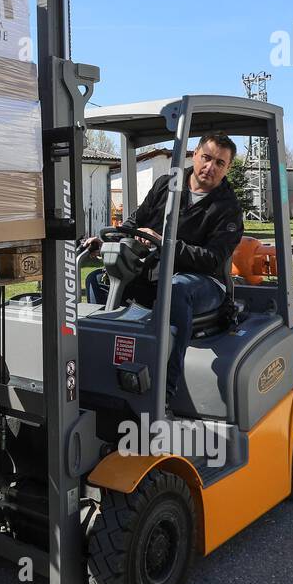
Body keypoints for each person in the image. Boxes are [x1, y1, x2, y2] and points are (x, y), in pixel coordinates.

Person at [82, 133, 243, 402]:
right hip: (157, 271)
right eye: (207, 157)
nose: (210, 167)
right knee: (99, 279)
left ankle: (164, 389)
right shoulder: (166, 186)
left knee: (174, 291)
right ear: (195, 155)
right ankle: (104, 364)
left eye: (220, 163)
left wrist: (165, 243)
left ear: (227, 168)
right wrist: (106, 241)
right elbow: (134, 223)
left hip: (203, 282)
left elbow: (213, 259)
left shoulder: (228, 208)